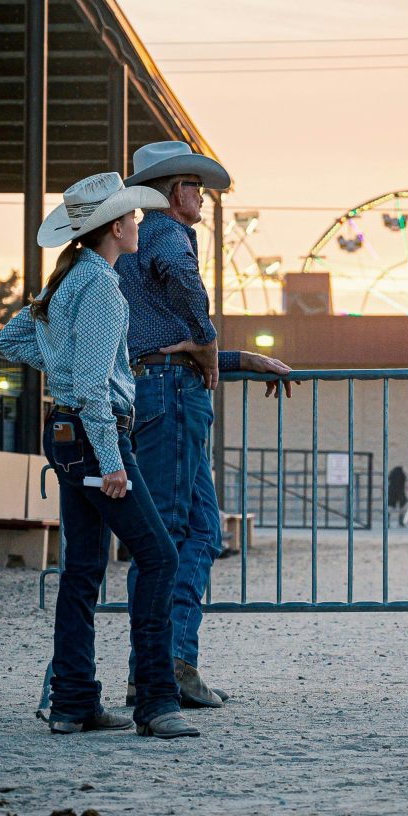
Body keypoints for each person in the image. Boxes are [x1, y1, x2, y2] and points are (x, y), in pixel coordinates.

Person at [0, 171, 199, 739]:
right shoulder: (104, 290)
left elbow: (11, 340)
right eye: (133, 217)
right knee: (158, 557)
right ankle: (157, 702)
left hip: (65, 435)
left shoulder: (69, 281)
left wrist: (60, 368)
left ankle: (74, 702)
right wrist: (111, 459)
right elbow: (90, 384)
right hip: (94, 436)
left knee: (83, 569)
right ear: (115, 226)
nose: (139, 223)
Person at [117, 140, 294, 709]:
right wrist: (215, 345)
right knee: (174, 533)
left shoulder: (144, 242)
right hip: (171, 392)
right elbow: (187, 324)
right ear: (174, 192)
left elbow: (172, 337)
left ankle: (173, 660)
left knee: (198, 531)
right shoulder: (168, 235)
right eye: (194, 185)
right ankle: (156, 669)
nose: (201, 194)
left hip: (166, 386)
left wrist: (239, 358)